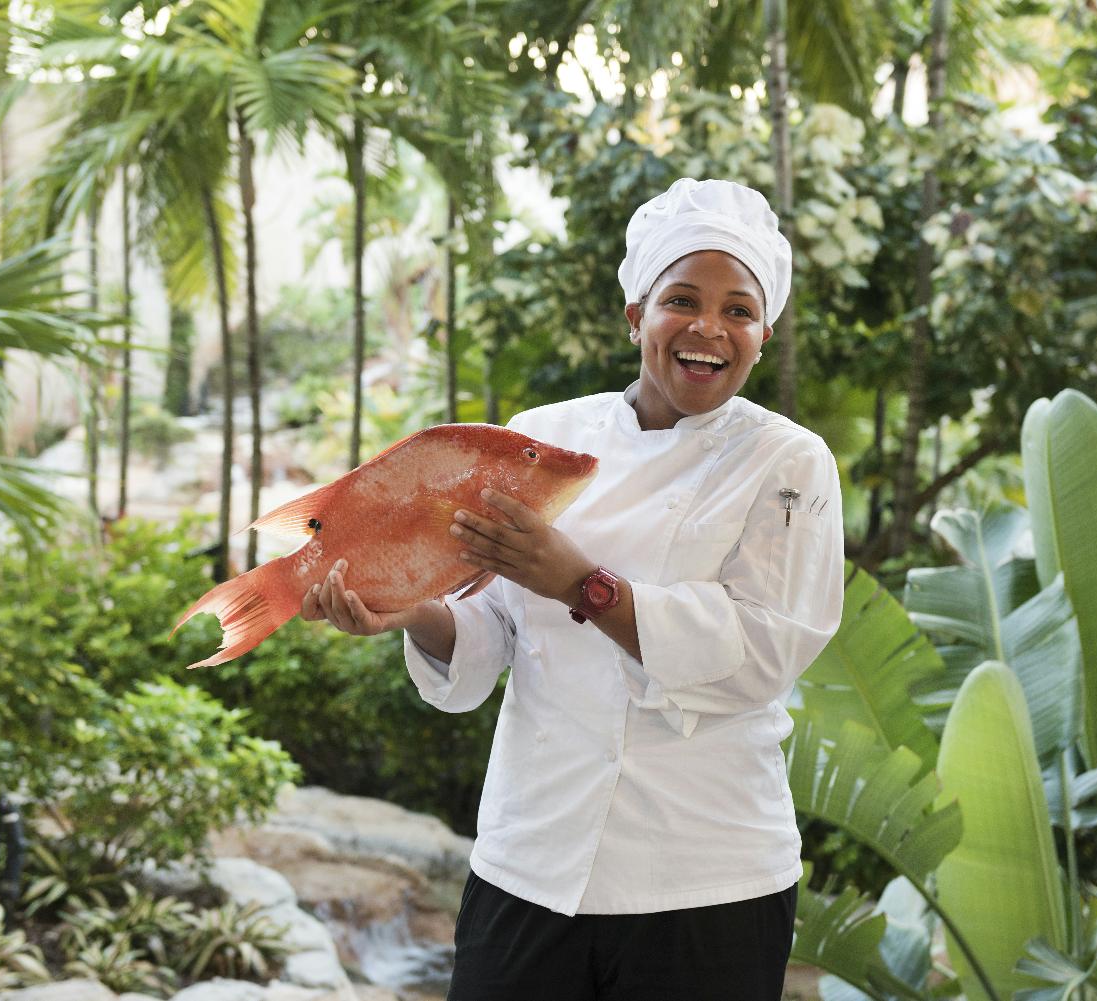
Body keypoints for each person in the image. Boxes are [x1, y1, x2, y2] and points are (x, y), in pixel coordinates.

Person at [302, 177, 845, 1001]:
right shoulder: (542, 438)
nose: (709, 329)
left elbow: (763, 651)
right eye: (682, 299)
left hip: (704, 874)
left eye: (739, 310)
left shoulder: (789, 462)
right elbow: (491, 624)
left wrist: (580, 582)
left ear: (763, 334)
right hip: (533, 853)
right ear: (636, 313)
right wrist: (409, 611)